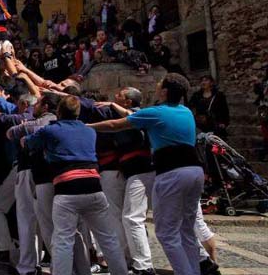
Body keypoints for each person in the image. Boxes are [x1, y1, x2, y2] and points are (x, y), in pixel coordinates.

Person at [90, 74, 205, 275]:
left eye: (159, 86)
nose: (157, 88)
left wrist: (85, 127)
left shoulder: (156, 112)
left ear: (165, 92)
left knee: (166, 233)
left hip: (171, 172)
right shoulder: (186, 111)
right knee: (186, 229)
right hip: (195, 171)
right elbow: (134, 114)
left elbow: (115, 125)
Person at [26, 96, 129, 275]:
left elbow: (29, 142)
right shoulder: (89, 131)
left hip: (67, 191)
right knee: (108, 239)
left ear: (58, 112)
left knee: (63, 241)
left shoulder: (50, 130)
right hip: (94, 188)